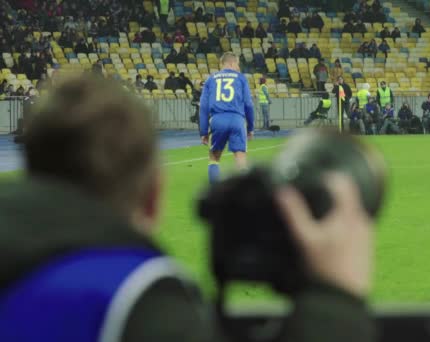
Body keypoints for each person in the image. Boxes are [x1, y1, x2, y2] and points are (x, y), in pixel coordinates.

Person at [0, 75, 376, 342]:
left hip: (215, 119)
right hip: (235, 122)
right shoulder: (134, 298)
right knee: (238, 156)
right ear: (152, 197)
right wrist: (334, 300)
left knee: (214, 154)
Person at [199, 52, 255, 184]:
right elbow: (248, 104)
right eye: (237, 64)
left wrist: (203, 131)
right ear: (231, 63)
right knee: (241, 159)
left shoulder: (211, 80)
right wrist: (250, 128)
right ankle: (245, 196)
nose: (239, 68)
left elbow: (203, 107)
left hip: (217, 120)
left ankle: (214, 195)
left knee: (214, 158)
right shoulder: (241, 78)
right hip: (237, 120)